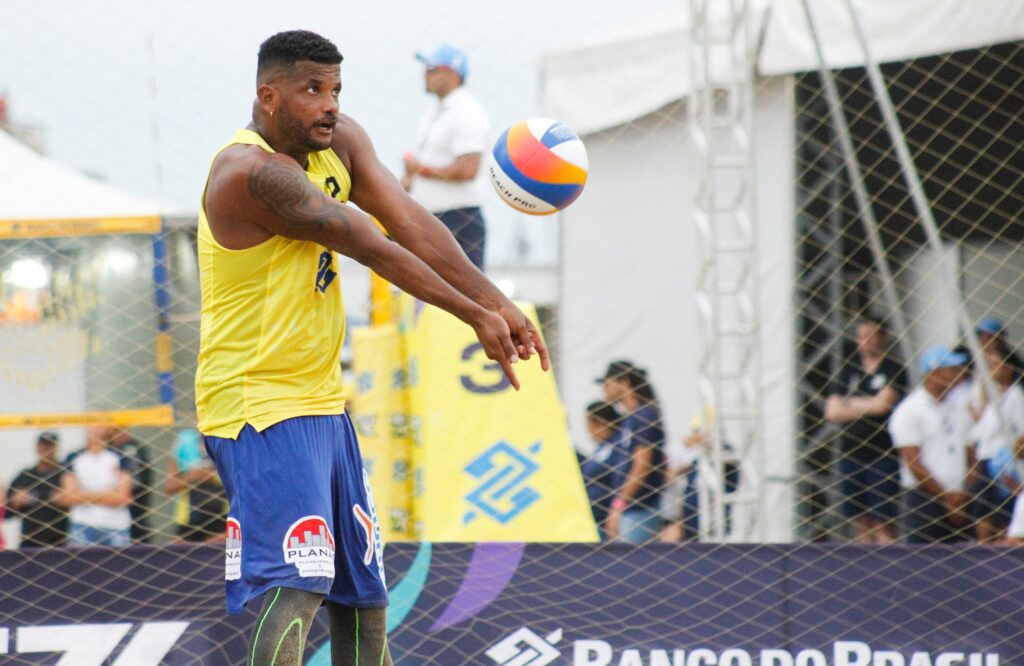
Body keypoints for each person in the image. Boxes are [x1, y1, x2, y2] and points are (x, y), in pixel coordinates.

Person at [195, 30, 546, 666]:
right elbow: (373, 246)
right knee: (297, 586)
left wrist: (498, 300)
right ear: (267, 97)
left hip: (323, 400)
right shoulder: (252, 175)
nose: (329, 105)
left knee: (364, 600)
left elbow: (409, 221)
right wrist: (472, 313)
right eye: (312, 90)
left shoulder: (342, 142)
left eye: (335, 89)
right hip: (258, 402)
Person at [401, 44, 491, 269]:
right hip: (435, 217)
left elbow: (468, 169)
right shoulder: (437, 112)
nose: (425, 74)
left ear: (452, 74)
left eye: (432, 69)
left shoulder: (467, 112)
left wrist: (421, 170)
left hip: (459, 217)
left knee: (464, 298)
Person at [824, 317, 907, 543]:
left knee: (884, 522)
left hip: (882, 454)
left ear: (882, 338)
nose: (865, 341)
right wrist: (869, 403)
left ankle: (891, 568)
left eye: (871, 336)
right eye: (861, 336)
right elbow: (832, 411)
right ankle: (866, 571)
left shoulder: (893, 369)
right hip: (851, 453)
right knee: (861, 522)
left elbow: (884, 405)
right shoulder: (848, 371)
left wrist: (850, 403)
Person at [889, 346, 978, 543]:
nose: (960, 373)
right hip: (924, 500)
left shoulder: (958, 408)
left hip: (961, 500)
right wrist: (947, 498)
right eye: (953, 369)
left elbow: (972, 456)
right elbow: (914, 463)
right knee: (922, 565)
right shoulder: (909, 410)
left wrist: (964, 494)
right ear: (935, 372)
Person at [597, 360, 667, 543]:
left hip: (640, 510)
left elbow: (642, 465)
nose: (604, 388)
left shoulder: (644, 415)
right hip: (632, 510)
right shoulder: (632, 418)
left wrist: (619, 504)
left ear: (624, 382)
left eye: (607, 383)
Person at [966, 346, 1024, 542]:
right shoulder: (995, 396)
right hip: (986, 458)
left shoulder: (1016, 396)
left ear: (1008, 368)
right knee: (982, 510)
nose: (990, 370)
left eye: (994, 365)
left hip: (1001, 461)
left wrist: (1011, 463)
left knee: (997, 514)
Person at [55, 425, 132, 547]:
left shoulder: (121, 457)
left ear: (109, 429)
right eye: (91, 423)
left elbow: (123, 498)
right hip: (82, 523)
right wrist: (109, 493)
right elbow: (69, 497)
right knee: (79, 565)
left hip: (115, 525)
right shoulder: (73, 457)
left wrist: (82, 495)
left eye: (99, 424)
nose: (95, 428)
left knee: (120, 565)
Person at [6, 431, 68, 547]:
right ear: (37, 447)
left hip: (60, 543)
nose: (45, 449)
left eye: (49, 445)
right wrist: (15, 502)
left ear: (56, 447)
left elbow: (71, 500)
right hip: (29, 543)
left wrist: (33, 497)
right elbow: (8, 512)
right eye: (43, 445)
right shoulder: (25, 475)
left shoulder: (64, 474)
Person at [579, 401, 630, 539]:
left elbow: (621, 477)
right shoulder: (602, 448)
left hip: (611, 518)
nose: (588, 430)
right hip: (594, 521)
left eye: (590, 424)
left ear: (601, 423)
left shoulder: (619, 445)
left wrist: (616, 509)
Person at [166, 427, 227, 543]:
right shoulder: (185, 440)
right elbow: (170, 487)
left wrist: (213, 477)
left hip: (223, 521)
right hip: (188, 521)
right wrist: (192, 477)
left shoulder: (226, 439)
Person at [108, 427, 152, 543]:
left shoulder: (131, 449)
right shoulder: (111, 451)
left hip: (134, 510)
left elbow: (136, 482)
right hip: (114, 512)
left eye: (117, 430)